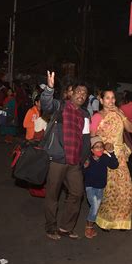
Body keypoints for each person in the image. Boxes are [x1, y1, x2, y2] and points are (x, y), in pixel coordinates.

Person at [40, 71, 91, 240]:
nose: (81, 95)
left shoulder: (85, 115)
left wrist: (83, 159)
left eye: (84, 93)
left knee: (77, 193)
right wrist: (49, 88)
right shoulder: (60, 107)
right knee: (52, 195)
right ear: (71, 93)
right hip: (58, 160)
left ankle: (66, 227)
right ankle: (51, 227)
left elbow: (85, 139)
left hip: (74, 162)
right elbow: (46, 105)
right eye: (78, 92)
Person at [90, 90, 132, 230]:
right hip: (104, 157)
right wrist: (101, 150)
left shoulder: (119, 114)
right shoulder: (97, 117)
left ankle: (120, 220)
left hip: (120, 157)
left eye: (113, 98)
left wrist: (121, 115)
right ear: (101, 100)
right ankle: (104, 220)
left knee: (125, 190)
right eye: (107, 98)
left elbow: (131, 129)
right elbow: (92, 137)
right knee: (107, 191)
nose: (111, 101)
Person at [84, 136, 119, 238]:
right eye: (96, 147)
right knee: (94, 206)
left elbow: (114, 165)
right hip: (90, 187)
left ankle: (90, 226)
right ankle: (88, 227)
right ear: (91, 149)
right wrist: (84, 167)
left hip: (101, 187)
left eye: (101, 147)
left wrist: (111, 153)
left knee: (96, 207)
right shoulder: (88, 159)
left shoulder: (104, 158)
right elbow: (82, 172)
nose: (99, 149)